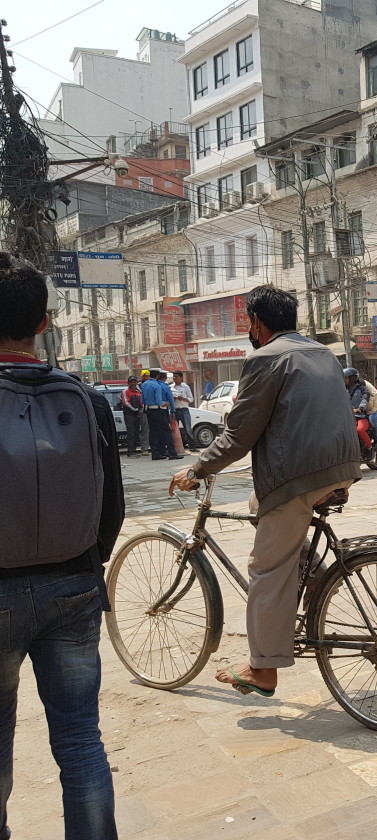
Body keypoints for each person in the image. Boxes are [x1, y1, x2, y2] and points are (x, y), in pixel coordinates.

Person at [169, 285, 361, 698]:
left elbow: (238, 436)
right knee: (262, 505)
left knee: (266, 569)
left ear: (256, 322)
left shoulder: (264, 358)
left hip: (298, 475)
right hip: (343, 467)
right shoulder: (323, 353)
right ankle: (314, 574)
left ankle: (262, 670)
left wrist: (197, 469)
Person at [0, 253, 125, 839]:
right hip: (74, 588)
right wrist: (84, 566)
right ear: (45, 323)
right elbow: (113, 507)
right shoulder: (87, 398)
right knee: (81, 742)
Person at [141, 368, 178, 461]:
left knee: (153, 432)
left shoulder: (144, 384)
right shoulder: (157, 385)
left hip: (148, 410)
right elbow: (159, 401)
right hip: (158, 410)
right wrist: (165, 403)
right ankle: (172, 453)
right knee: (166, 431)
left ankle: (155, 454)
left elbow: (142, 400)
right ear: (157, 376)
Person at [344, 367, 377, 454]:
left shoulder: (362, 389)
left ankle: (370, 448)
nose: (344, 380)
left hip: (360, 416)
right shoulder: (344, 390)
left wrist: (360, 409)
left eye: (346, 378)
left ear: (352, 378)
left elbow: (365, 399)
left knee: (360, 430)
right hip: (348, 417)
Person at [171, 371, 199, 452]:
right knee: (174, 429)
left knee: (188, 429)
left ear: (181, 377)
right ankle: (175, 447)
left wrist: (182, 398)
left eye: (176, 376)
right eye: (173, 376)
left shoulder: (185, 387)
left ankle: (192, 446)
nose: (174, 378)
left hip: (184, 410)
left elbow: (191, 399)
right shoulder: (170, 387)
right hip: (175, 410)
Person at [121, 375, 144, 456]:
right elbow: (126, 403)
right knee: (131, 433)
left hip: (137, 415)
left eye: (135, 382)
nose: (133, 383)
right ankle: (130, 451)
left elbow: (142, 402)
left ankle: (134, 450)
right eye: (131, 382)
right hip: (129, 415)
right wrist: (136, 410)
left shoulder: (139, 392)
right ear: (128, 383)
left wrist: (141, 409)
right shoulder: (125, 392)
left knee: (136, 433)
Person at [137, 369, 151, 454]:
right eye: (144, 376)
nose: (146, 377)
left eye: (147, 376)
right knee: (145, 430)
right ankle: (144, 448)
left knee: (153, 429)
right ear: (141, 376)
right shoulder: (138, 387)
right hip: (143, 411)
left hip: (152, 409)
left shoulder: (151, 385)